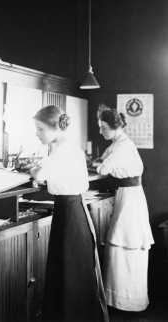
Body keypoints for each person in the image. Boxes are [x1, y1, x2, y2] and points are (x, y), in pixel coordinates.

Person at [29, 105, 108, 322]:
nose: (37, 134)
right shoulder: (64, 146)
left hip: (71, 213)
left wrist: (32, 169)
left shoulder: (63, 148)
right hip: (70, 210)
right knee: (68, 271)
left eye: (40, 129)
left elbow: (42, 173)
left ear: (55, 128)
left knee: (69, 273)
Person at [93, 104, 154, 312]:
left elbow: (103, 167)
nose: (100, 131)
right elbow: (102, 160)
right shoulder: (117, 143)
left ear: (114, 126)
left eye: (103, 127)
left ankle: (128, 302)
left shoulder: (123, 146)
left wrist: (97, 164)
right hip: (125, 196)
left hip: (131, 200)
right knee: (119, 249)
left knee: (126, 246)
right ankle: (117, 300)